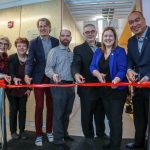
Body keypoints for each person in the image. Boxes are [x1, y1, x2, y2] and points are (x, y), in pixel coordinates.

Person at [90, 26, 127, 150]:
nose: (108, 38)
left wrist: (116, 80)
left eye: (111, 35)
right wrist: (98, 74)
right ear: (102, 37)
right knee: (110, 118)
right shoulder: (98, 51)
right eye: (105, 36)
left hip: (117, 91)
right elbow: (92, 67)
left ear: (115, 37)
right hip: (104, 91)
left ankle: (116, 145)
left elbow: (122, 69)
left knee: (116, 119)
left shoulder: (119, 51)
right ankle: (112, 141)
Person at [24, 18, 59, 146]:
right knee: (39, 106)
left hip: (52, 78)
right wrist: (27, 74)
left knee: (51, 106)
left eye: (45, 26)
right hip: (38, 78)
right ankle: (38, 134)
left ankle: (49, 131)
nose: (43, 28)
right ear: (38, 28)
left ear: (49, 27)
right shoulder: (33, 42)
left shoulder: (56, 41)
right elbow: (29, 60)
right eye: (40, 26)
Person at [71, 24, 107, 139]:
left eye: (92, 31)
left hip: (103, 88)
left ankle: (101, 134)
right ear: (84, 34)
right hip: (87, 89)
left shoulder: (104, 46)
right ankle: (89, 137)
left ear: (96, 33)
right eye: (87, 32)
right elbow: (75, 64)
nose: (90, 34)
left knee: (100, 114)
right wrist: (76, 73)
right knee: (87, 116)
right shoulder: (78, 49)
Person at [45, 29, 75, 150]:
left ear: (70, 38)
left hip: (71, 86)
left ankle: (64, 134)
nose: (65, 38)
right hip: (59, 85)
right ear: (59, 37)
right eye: (63, 35)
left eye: (68, 35)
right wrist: (53, 75)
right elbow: (47, 69)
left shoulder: (71, 52)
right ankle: (58, 139)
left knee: (67, 112)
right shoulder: (54, 51)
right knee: (59, 113)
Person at [126, 11, 150, 149]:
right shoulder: (131, 41)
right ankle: (138, 142)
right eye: (131, 22)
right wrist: (129, 70)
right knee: (139, 117)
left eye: (137, 20)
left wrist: (148, 75)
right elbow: (130, 59)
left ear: (144, 20)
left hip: (149, 82)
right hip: (137, 86)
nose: (134, 24)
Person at [7, 37, 31, 140]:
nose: (21, 47)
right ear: (16, 47)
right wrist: (13, 77)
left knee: (23, 109)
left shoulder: (30, 58)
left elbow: (31, 74)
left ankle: (22, 131)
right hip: (12, 88)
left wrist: (30, 88)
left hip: (24, 89)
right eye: (19, 46)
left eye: (24, 45)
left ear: (27, 47)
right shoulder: (11, 57)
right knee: (13, 109)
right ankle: (13, 131)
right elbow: (10, 71)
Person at [0, 36, 12, 148]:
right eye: (1, 43)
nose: (3, 46)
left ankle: (3, 142)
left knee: (1, 114)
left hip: (2, 88)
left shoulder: (6, 56)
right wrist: (3, 75)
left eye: (5, 44)